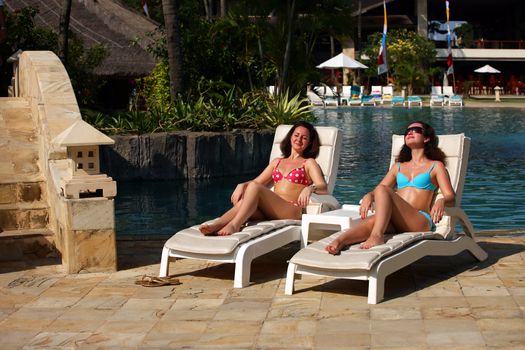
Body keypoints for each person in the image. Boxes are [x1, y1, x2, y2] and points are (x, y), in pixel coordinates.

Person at [325, 121, 455, 254]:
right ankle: (340, 241)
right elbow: (378, 190)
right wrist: (369, 195)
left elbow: (451, 196)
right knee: (376, 219)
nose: (409, 132)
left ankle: (377, 236)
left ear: (426, 138)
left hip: (419, 221)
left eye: (416, 130)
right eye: (407, 131)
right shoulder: (398, 167)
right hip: (397, 219)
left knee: (382, 190)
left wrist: (441, 201)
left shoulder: (436, 166)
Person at [199, 120, 328, 236]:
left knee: (254, 189)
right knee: (245, 201)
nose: (299, 139)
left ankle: (235, 225)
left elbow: (323, 187)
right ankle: (218, 224)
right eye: (296, 135)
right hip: (272, 210)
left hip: (292, 209)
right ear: (290, 137)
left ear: (309, 142)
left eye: (304, 138)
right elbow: (257, 181)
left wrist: (310, 188)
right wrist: (242, 184)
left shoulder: (309, 162)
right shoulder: (277, 162)